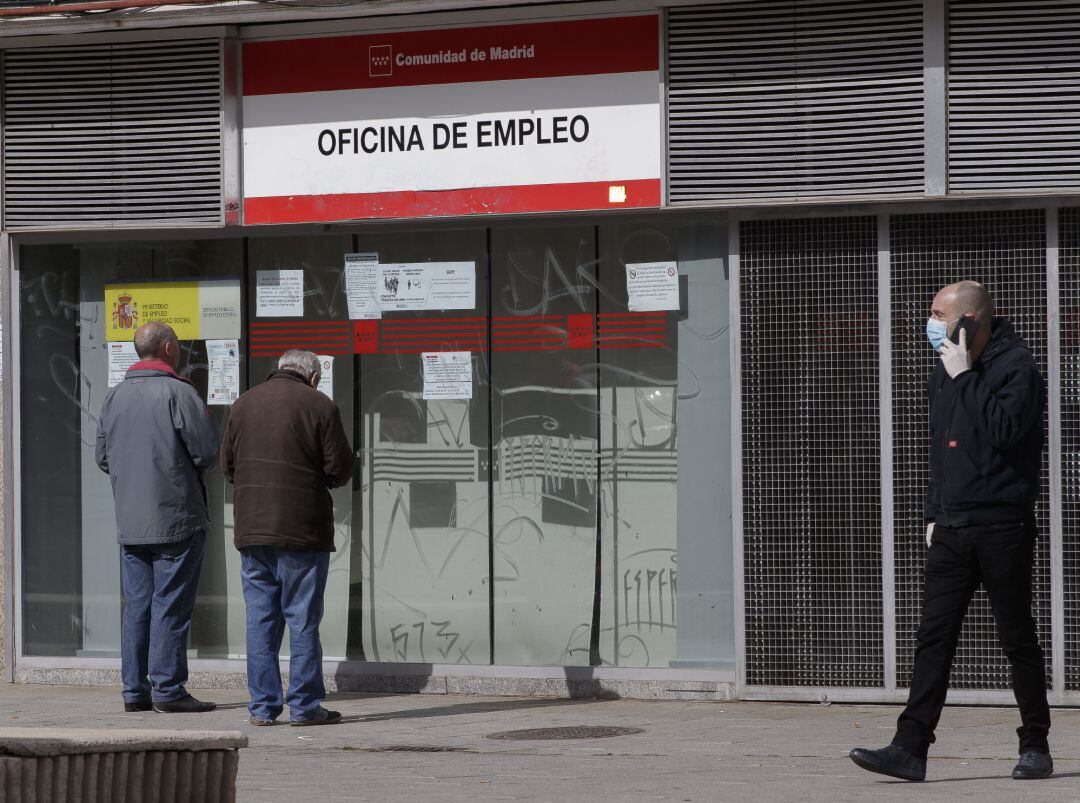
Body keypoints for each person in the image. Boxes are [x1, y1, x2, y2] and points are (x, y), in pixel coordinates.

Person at [850, 281, 1051, 781]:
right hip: (952, 527)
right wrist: (932, 513)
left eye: (940, 314)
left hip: (1002, 524)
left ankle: (1035, 745)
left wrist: (966, 377)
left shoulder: (1016, 368)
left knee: (1016, 637)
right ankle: (909, 748)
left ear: (970, 322)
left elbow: (1004, 431)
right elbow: (940, 448)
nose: (931, 322)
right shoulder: (943, 370)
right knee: (933, 637)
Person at [221, 349, 354, 726]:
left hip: (252, 530)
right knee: (302, 618)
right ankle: (305, 706)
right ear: (313, 377)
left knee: (260, 620)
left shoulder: (242, 405)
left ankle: (262, 708)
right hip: (302, 531)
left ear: (279, 370)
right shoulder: (320, 405)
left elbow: (227, 466)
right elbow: (339, 467)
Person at [95, 321, 219, 714]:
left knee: (137, 606)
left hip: (131, 521)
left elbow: (101, 456)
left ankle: (134, 691)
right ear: (168, 348)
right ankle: (168, 689)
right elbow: (206, 453)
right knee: (171, 605)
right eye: (178, 345)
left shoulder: (114, 397)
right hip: (175, 518)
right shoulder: (178, 393)